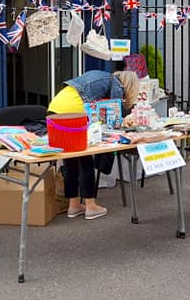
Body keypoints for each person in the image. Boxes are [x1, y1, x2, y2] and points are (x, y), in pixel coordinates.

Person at [47, 69, 139, 220]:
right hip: (74, 111)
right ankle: (90, 206)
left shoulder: (102, 77)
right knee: (85, 160)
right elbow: (114, 116)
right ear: (129, 85)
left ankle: (74, 205)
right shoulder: (116, 84)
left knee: (70, 159)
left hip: (55, 107)